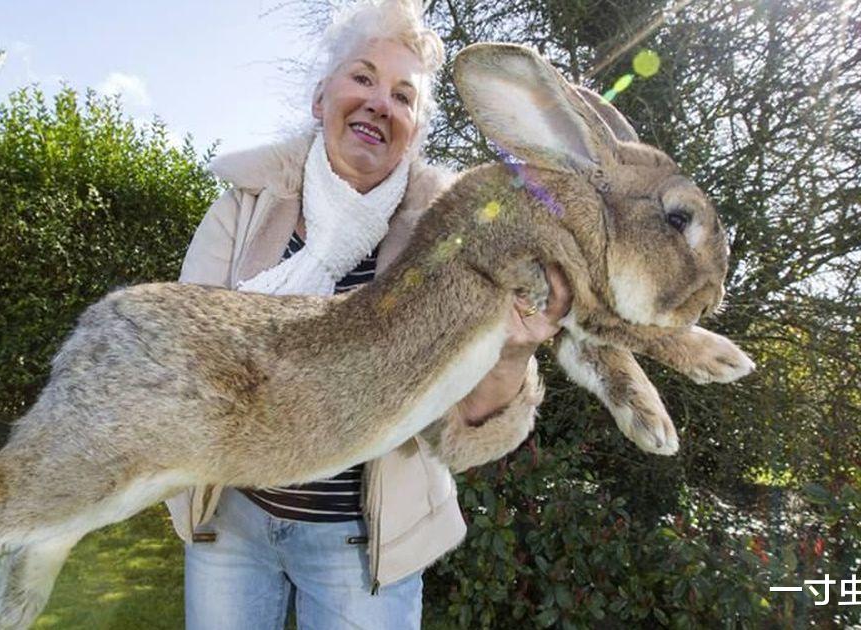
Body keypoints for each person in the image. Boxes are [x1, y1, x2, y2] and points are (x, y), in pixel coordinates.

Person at [165, 1, 571, 627]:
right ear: (320, 98)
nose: (380, 103)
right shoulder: (243, 208)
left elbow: (463, 428)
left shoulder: (454, 242)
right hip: (233, 524)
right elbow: (182, 354)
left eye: (403, 96)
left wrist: (513, 351)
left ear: (414, 131)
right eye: (362, 77)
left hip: (362, 546)